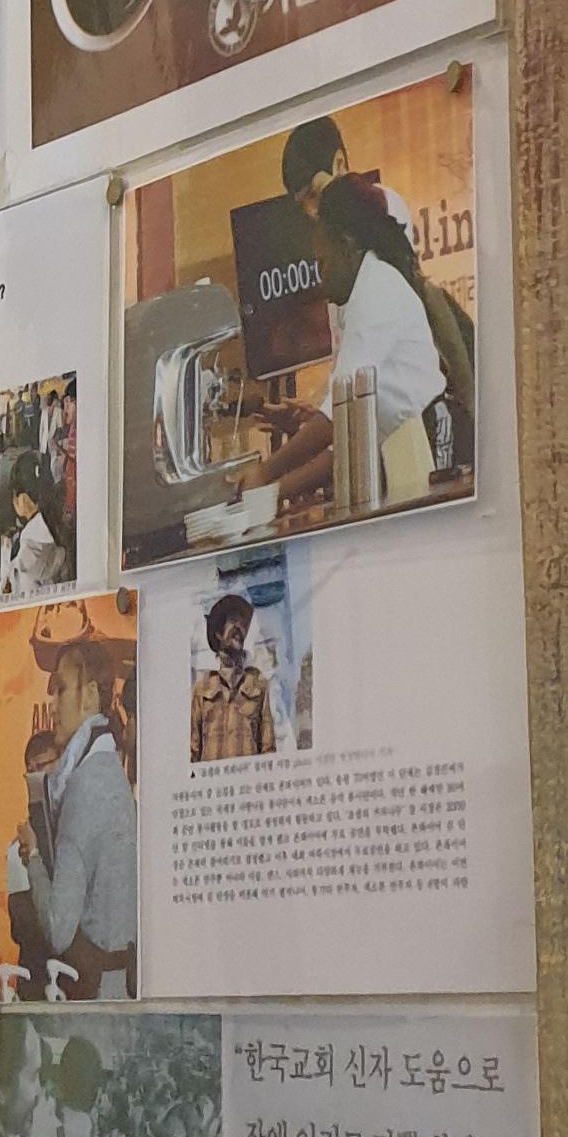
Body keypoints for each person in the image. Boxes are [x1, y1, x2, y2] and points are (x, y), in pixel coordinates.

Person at [279, 116, 449, 507]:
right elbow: (348, 376)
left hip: (420, 434)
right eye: (304, 204)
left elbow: (345, 405)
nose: (313, 212)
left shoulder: (377, 270)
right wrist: (319, 406)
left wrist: (272, 480)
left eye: (314, 195)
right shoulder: (353, 281)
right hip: (383, 435)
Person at [19, 640, 136, 998]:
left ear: (90, 695)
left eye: (61, 689)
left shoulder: (82, 785)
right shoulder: (109, 769)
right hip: (120, 985)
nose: (53, 705)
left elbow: (58, 929)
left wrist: (34, 856)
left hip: (96, 994)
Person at [191, 591, 273, 760]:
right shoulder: (202, 689)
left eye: (243, 624)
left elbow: (268, 750)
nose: (239, 628)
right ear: (218, 633)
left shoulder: (258, 685)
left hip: (248, 776)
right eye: (233, 621)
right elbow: (192, 751)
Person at [0, 458, 71, 598]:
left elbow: (8, 596)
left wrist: (6, 557)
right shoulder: (56, 530)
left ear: (23, 499)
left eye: (14, 495)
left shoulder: (27, 555)